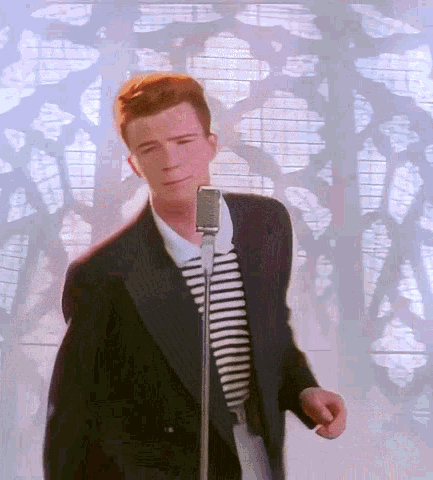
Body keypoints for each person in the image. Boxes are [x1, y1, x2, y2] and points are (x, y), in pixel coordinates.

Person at [43, 72, 347, 480]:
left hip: (259, 458)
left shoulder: (265, 224)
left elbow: (272, 335)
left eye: (183, 142)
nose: (170, 162)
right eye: (150, 148)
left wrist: (303, 390)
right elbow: (71, 427)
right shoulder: (102, 274)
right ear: (134, 164)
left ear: (211, 145)